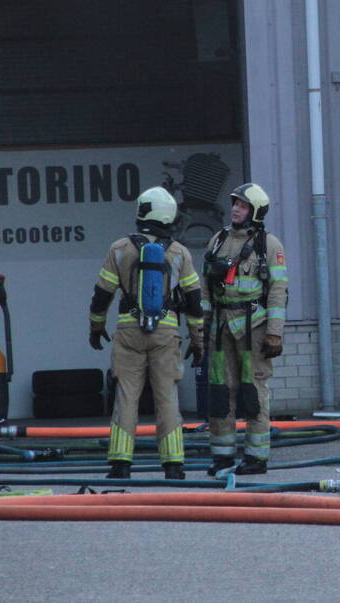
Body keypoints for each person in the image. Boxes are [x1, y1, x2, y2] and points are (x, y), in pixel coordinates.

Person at [89, 186, 205, 480]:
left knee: (126, 396)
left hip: (129, 331)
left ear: (143, 211)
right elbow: (194, 301)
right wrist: (198, 340)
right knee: (167, 397)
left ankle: (120, 464)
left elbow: (102, 295)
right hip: (166, 334)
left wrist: (96, 327)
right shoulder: (179, 253)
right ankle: (174, 465)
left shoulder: (119, 249)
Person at [201, 183, 289, 475]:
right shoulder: (218, 240)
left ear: (256, 211)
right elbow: (205, 287)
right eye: (235, 204)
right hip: (220, 329)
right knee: (219, 392)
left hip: (255, 330)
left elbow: (278, 291)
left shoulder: (269, 245)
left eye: (242, 205)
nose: (235, 209)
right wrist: (201, 329)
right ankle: (223, 457)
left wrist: (274, 332)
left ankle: (255, 458)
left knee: (253, 394)